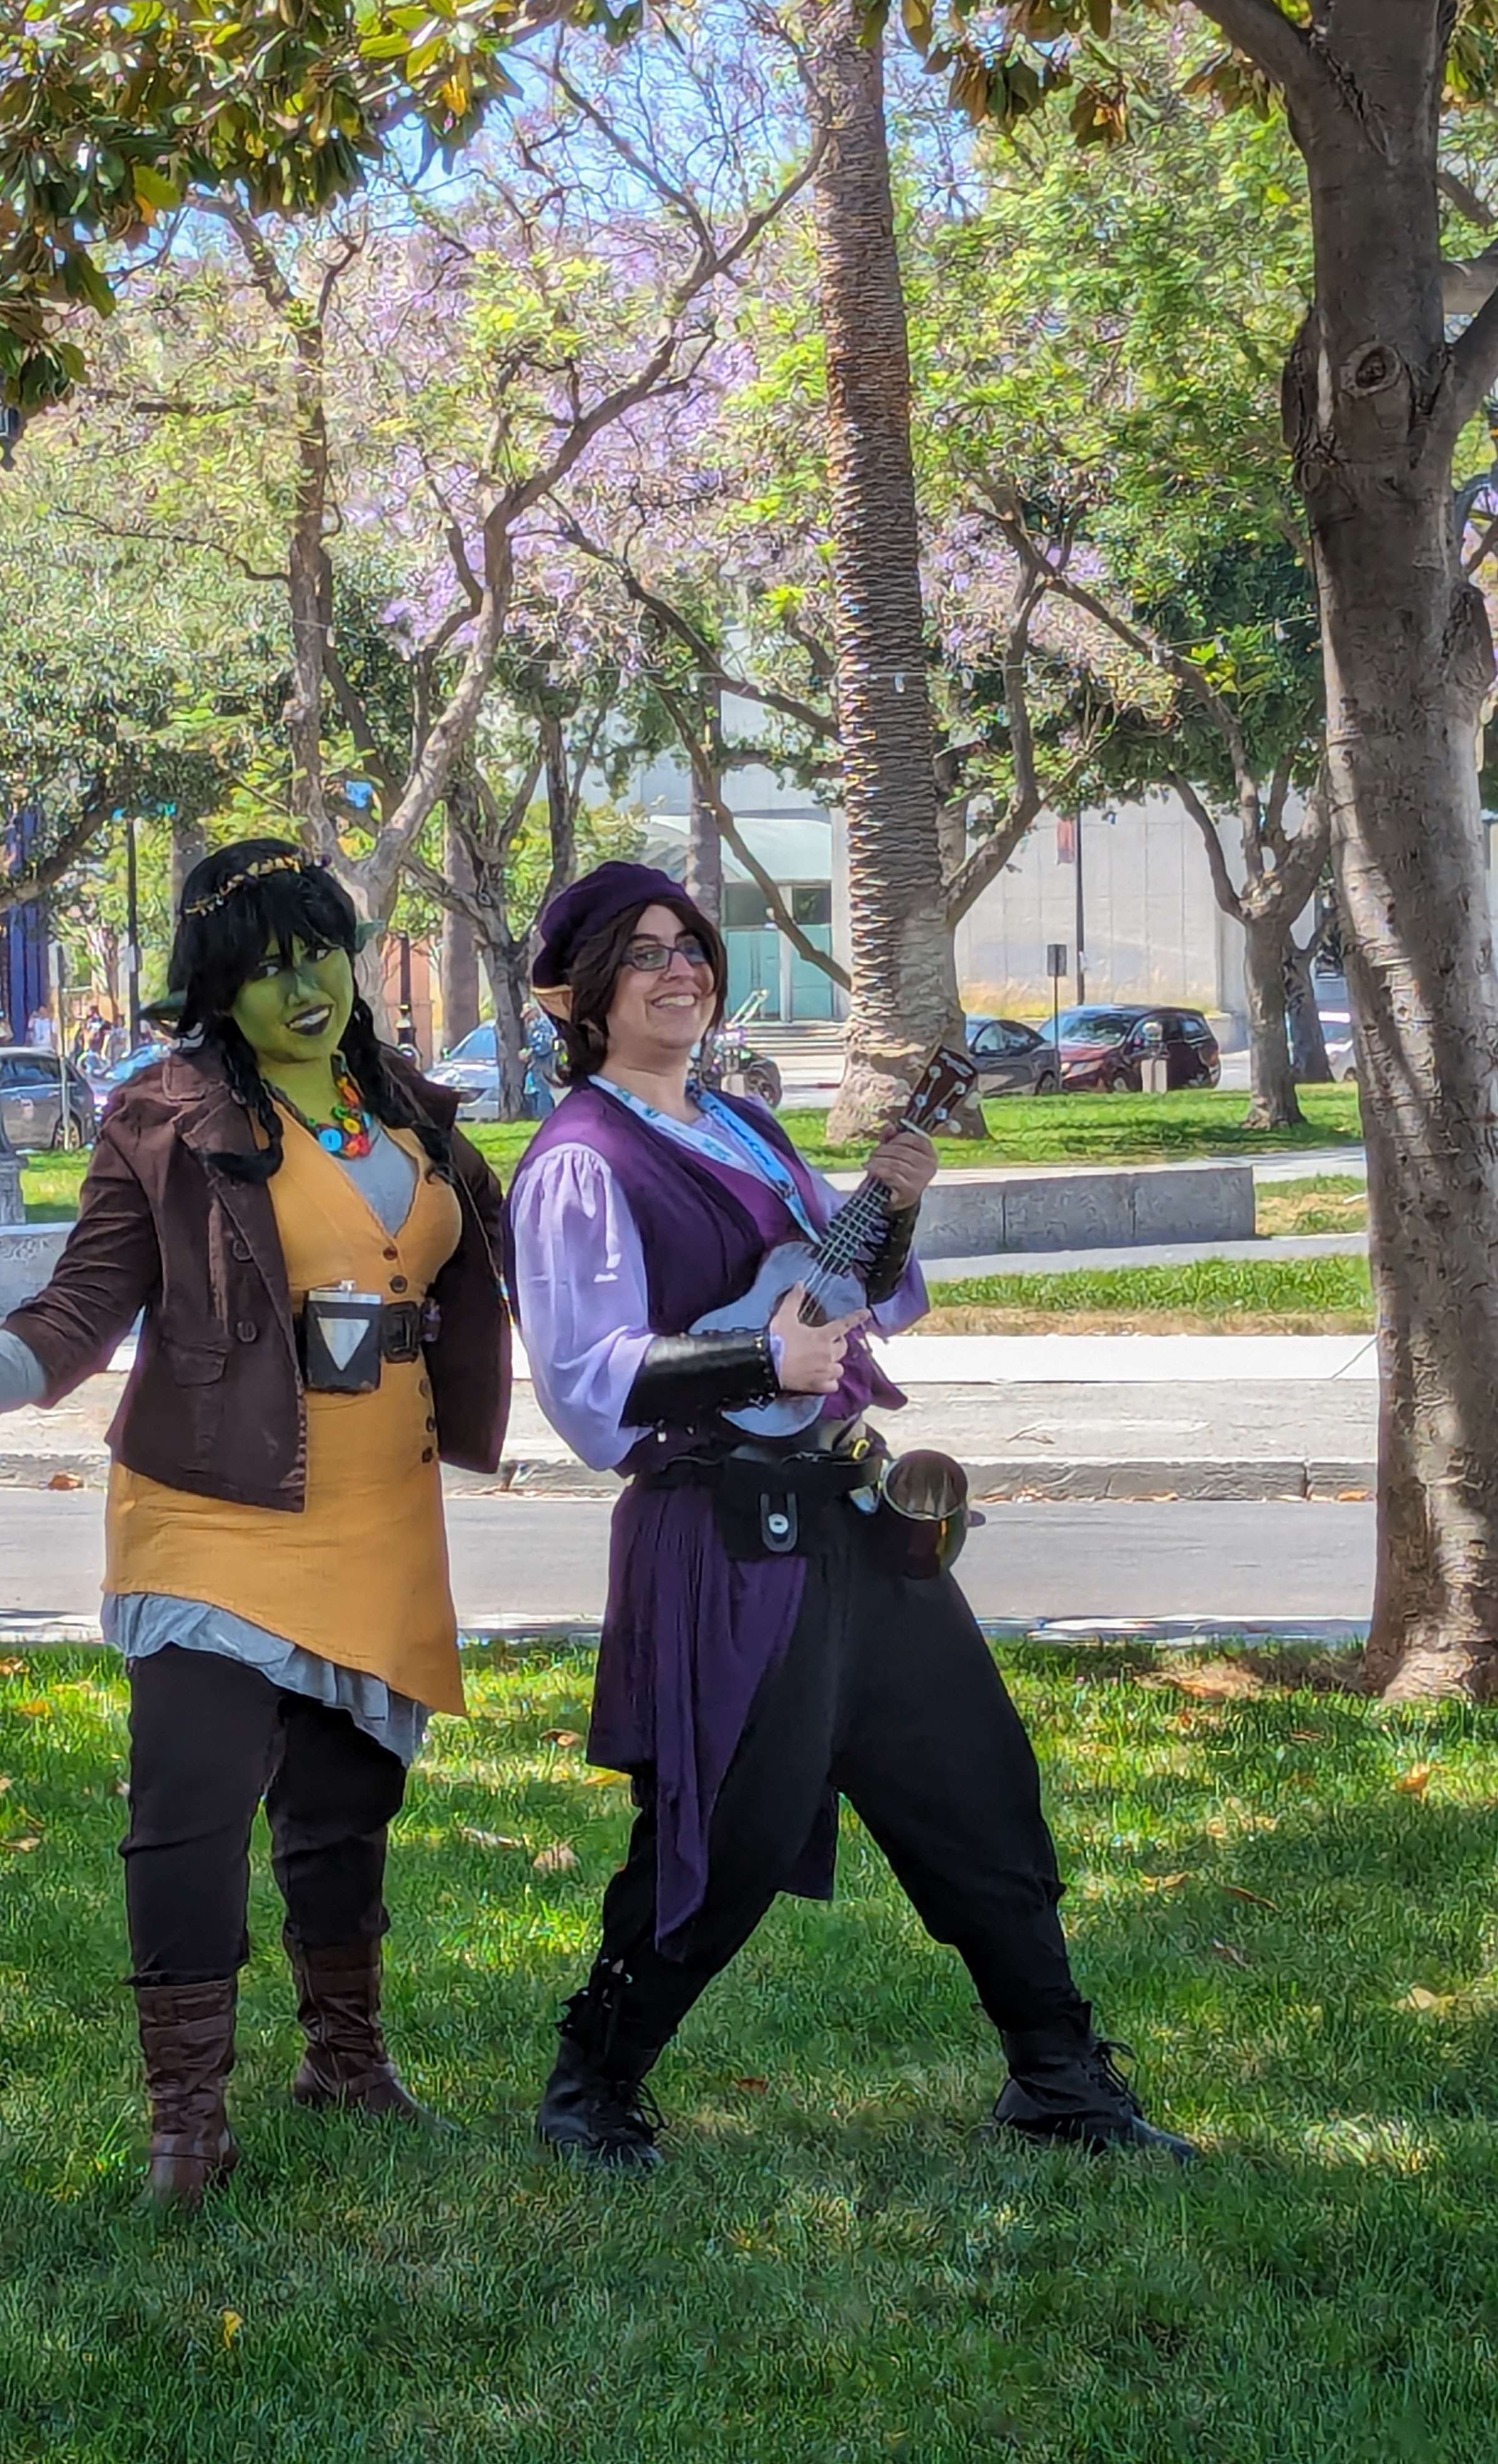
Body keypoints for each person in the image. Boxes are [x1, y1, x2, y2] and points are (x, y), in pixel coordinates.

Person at [0, 841, 511, 2206]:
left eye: (316, 952)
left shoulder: (415, 1111)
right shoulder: (168, 1114)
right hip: (213, 1506)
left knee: (343, 1806)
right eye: (264, 971)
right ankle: (187, 2125)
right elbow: (81, 1310)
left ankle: (345, 2063)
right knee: (188, 1810)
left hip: (380, 1504)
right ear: (218, 993)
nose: (302, 988)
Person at [503, 862, 1194, 2171]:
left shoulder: (742, 1125)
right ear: (587, 996)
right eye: (645, 953)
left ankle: (1057, 2079)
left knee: (976, 1783)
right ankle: (591, 2087)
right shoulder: (577, 1164)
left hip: (856, 1518)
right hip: (720, 1539)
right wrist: (760, 1367)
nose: (681, 968)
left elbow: (838, 1291)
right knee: (728, 1828)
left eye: (692, 946)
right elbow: (590, 1393)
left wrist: (900, 1200)